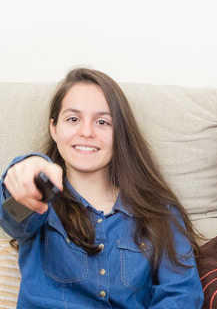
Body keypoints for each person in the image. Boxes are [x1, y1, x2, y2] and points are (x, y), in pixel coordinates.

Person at [0, 68, 204, 309]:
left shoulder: (161, 212)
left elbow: (181, 295)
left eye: (102, 122)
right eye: (73, 119)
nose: (87, 132)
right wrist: (29, 166)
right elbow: (13, 215)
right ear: (54, 128)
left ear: (120, 134)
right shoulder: (40, 197)